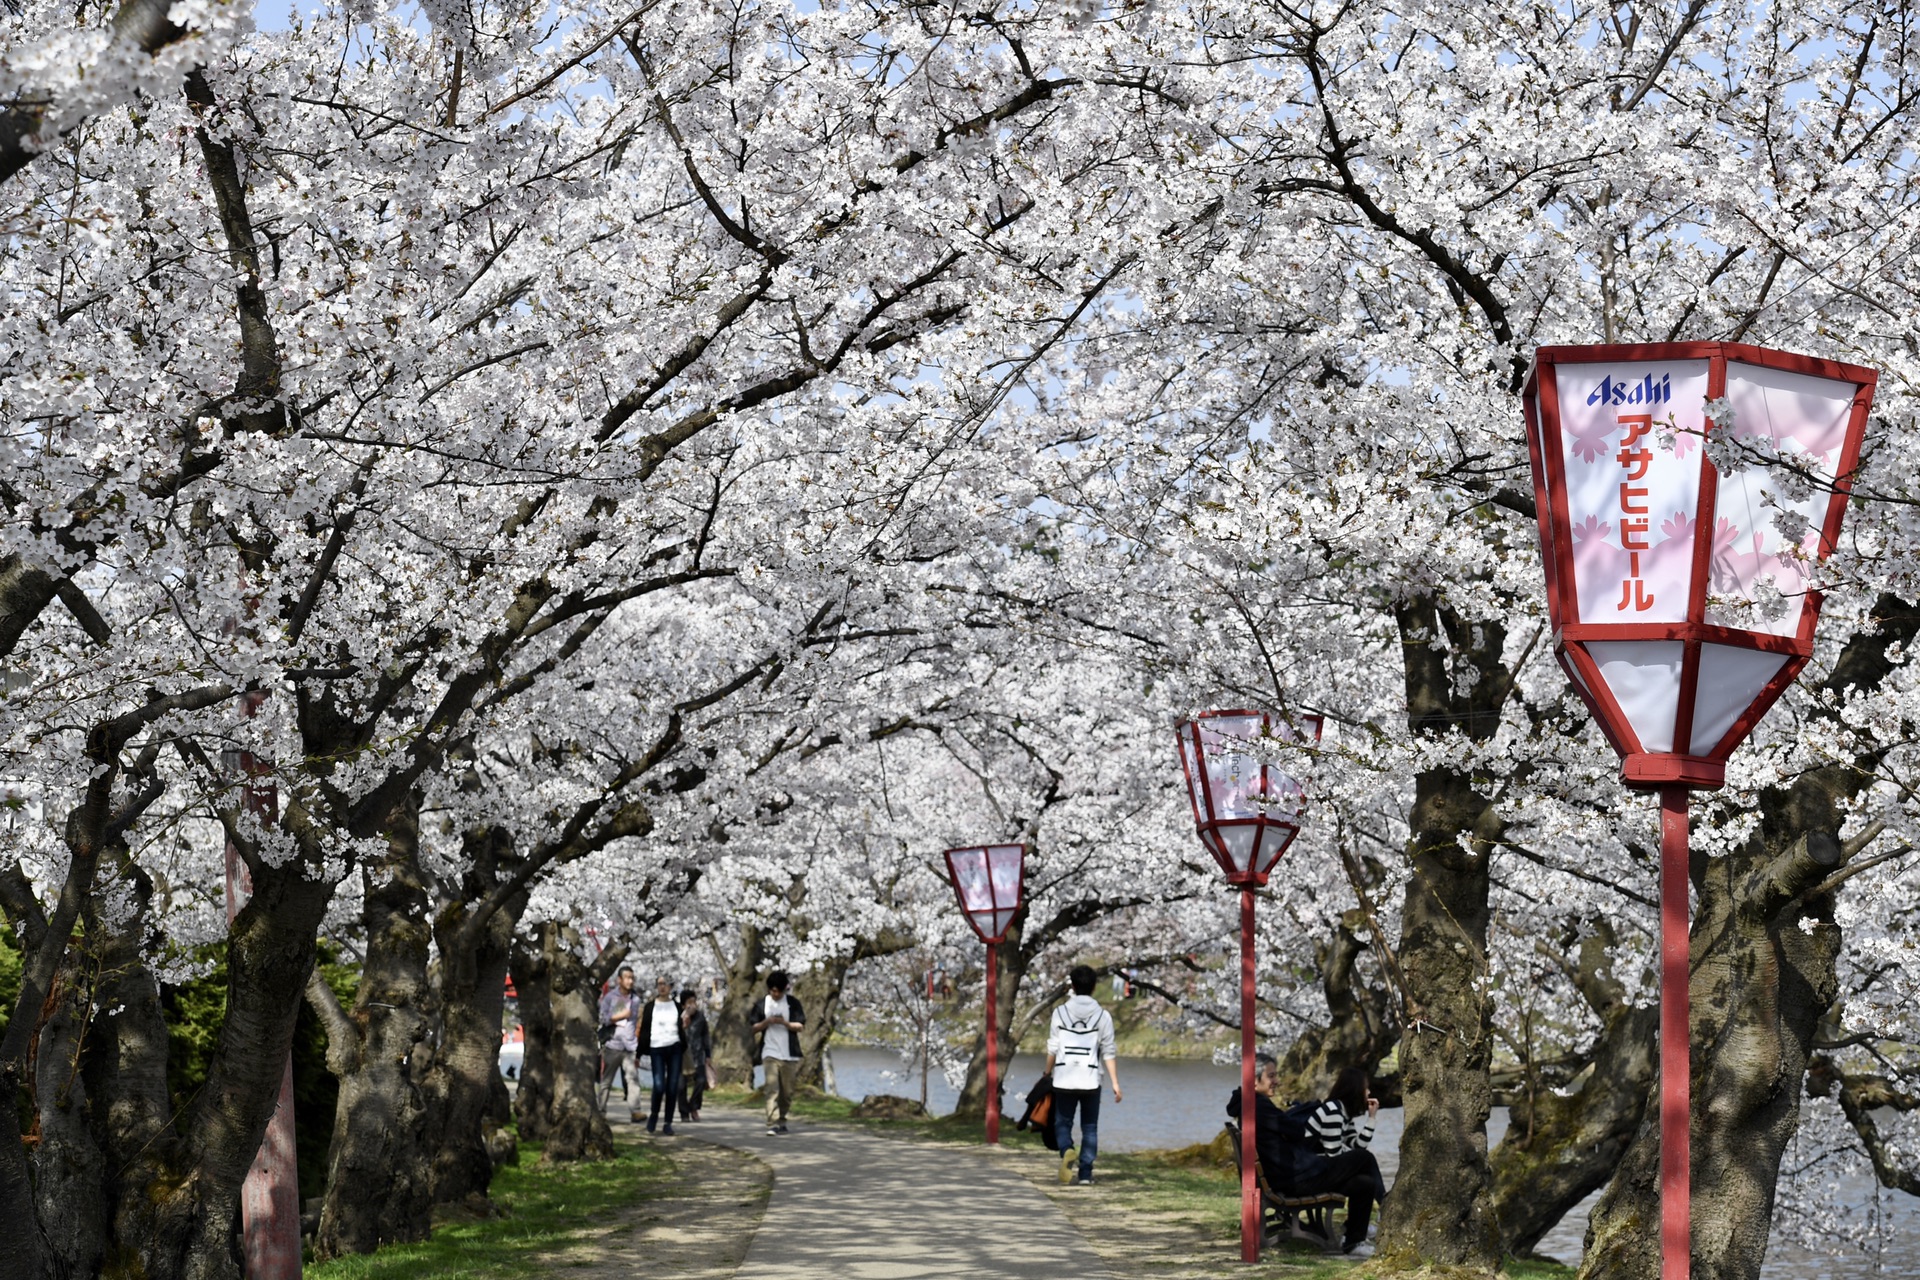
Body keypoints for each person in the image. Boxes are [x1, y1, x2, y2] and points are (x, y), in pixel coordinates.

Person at [1230, 1058, 1386, 1257]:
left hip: (1289, 1173)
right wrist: (1289, 1122)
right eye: (1271, 1076)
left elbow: (1291, 1130)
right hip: (1294, 1178)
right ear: (1253, 1080)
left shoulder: (1252, 1105)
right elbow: (1296, 1131)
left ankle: (1353, 1241)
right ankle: (1386, 1207)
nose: (1277, 1080)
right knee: (1364, 1157)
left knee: (1363, 1182)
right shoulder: (1259, 1108)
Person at [1045, 963, 1121, 1185]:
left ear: (1073, 986)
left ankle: (1067, 1150)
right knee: (1089, 1126)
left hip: (1064, 1077)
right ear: (1094, 987)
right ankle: (1086, 1173)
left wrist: (1046, 1072)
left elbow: (1053, 1047)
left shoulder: (1059, 1012)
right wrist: (1115, 1083)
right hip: (1090, 1079)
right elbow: (1108, 1051)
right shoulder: (1103, 1016)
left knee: (1062, 1123)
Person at [752, 969, 805, 1135]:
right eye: (773, 990)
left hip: (789, 1053)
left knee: (787, 1091)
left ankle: (782, 1119)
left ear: (785, 989)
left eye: (779, 991)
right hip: (769, 1051)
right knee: (771, 1087)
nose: (775, 994)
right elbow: (752, 1028)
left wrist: (785, 1023)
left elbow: (801, 1026)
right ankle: (772, 1122)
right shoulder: (761, 1004)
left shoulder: (792, 1003)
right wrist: (767, 1022)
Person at [637, 976, 686, 1134]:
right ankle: (654, 1115)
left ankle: (668, 1122)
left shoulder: (677, 1007)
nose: (662, 987)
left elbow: (682, 1028)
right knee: (658, 1085)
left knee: (672, 1086)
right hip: (656, 1047)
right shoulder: (651, 1006)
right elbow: (644, 1030)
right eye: (659, 984)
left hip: (674, 1047)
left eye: (665, 984)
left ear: (670, 986)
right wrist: (638, 1054)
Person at [596, 966, 641, 1121]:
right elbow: (603, 1019)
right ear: (619, 980)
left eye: (632, 978)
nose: (630, 981)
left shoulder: (635, 999)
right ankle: (601, 1111)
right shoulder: (610, 997)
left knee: (632, 1079)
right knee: (606, 1081)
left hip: (629, 1046)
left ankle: (635, 1111)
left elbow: (633, 1021)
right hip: (612, 1045)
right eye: (627, 977)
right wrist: (620, 1014)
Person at [679, 988, 712, 1121]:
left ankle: (693, 1106)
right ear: (683, 1005)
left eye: (694, 1001)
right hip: (682, 1055)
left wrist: (708, 1055)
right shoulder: (678, 1017)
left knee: (701, 1081)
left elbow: (705, 1035)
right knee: (681, 1086)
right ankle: (684, 1112)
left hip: (698, 1055)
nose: (692, 1005)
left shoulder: (700, 1016)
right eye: (689, 1002)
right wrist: (683, 1023)